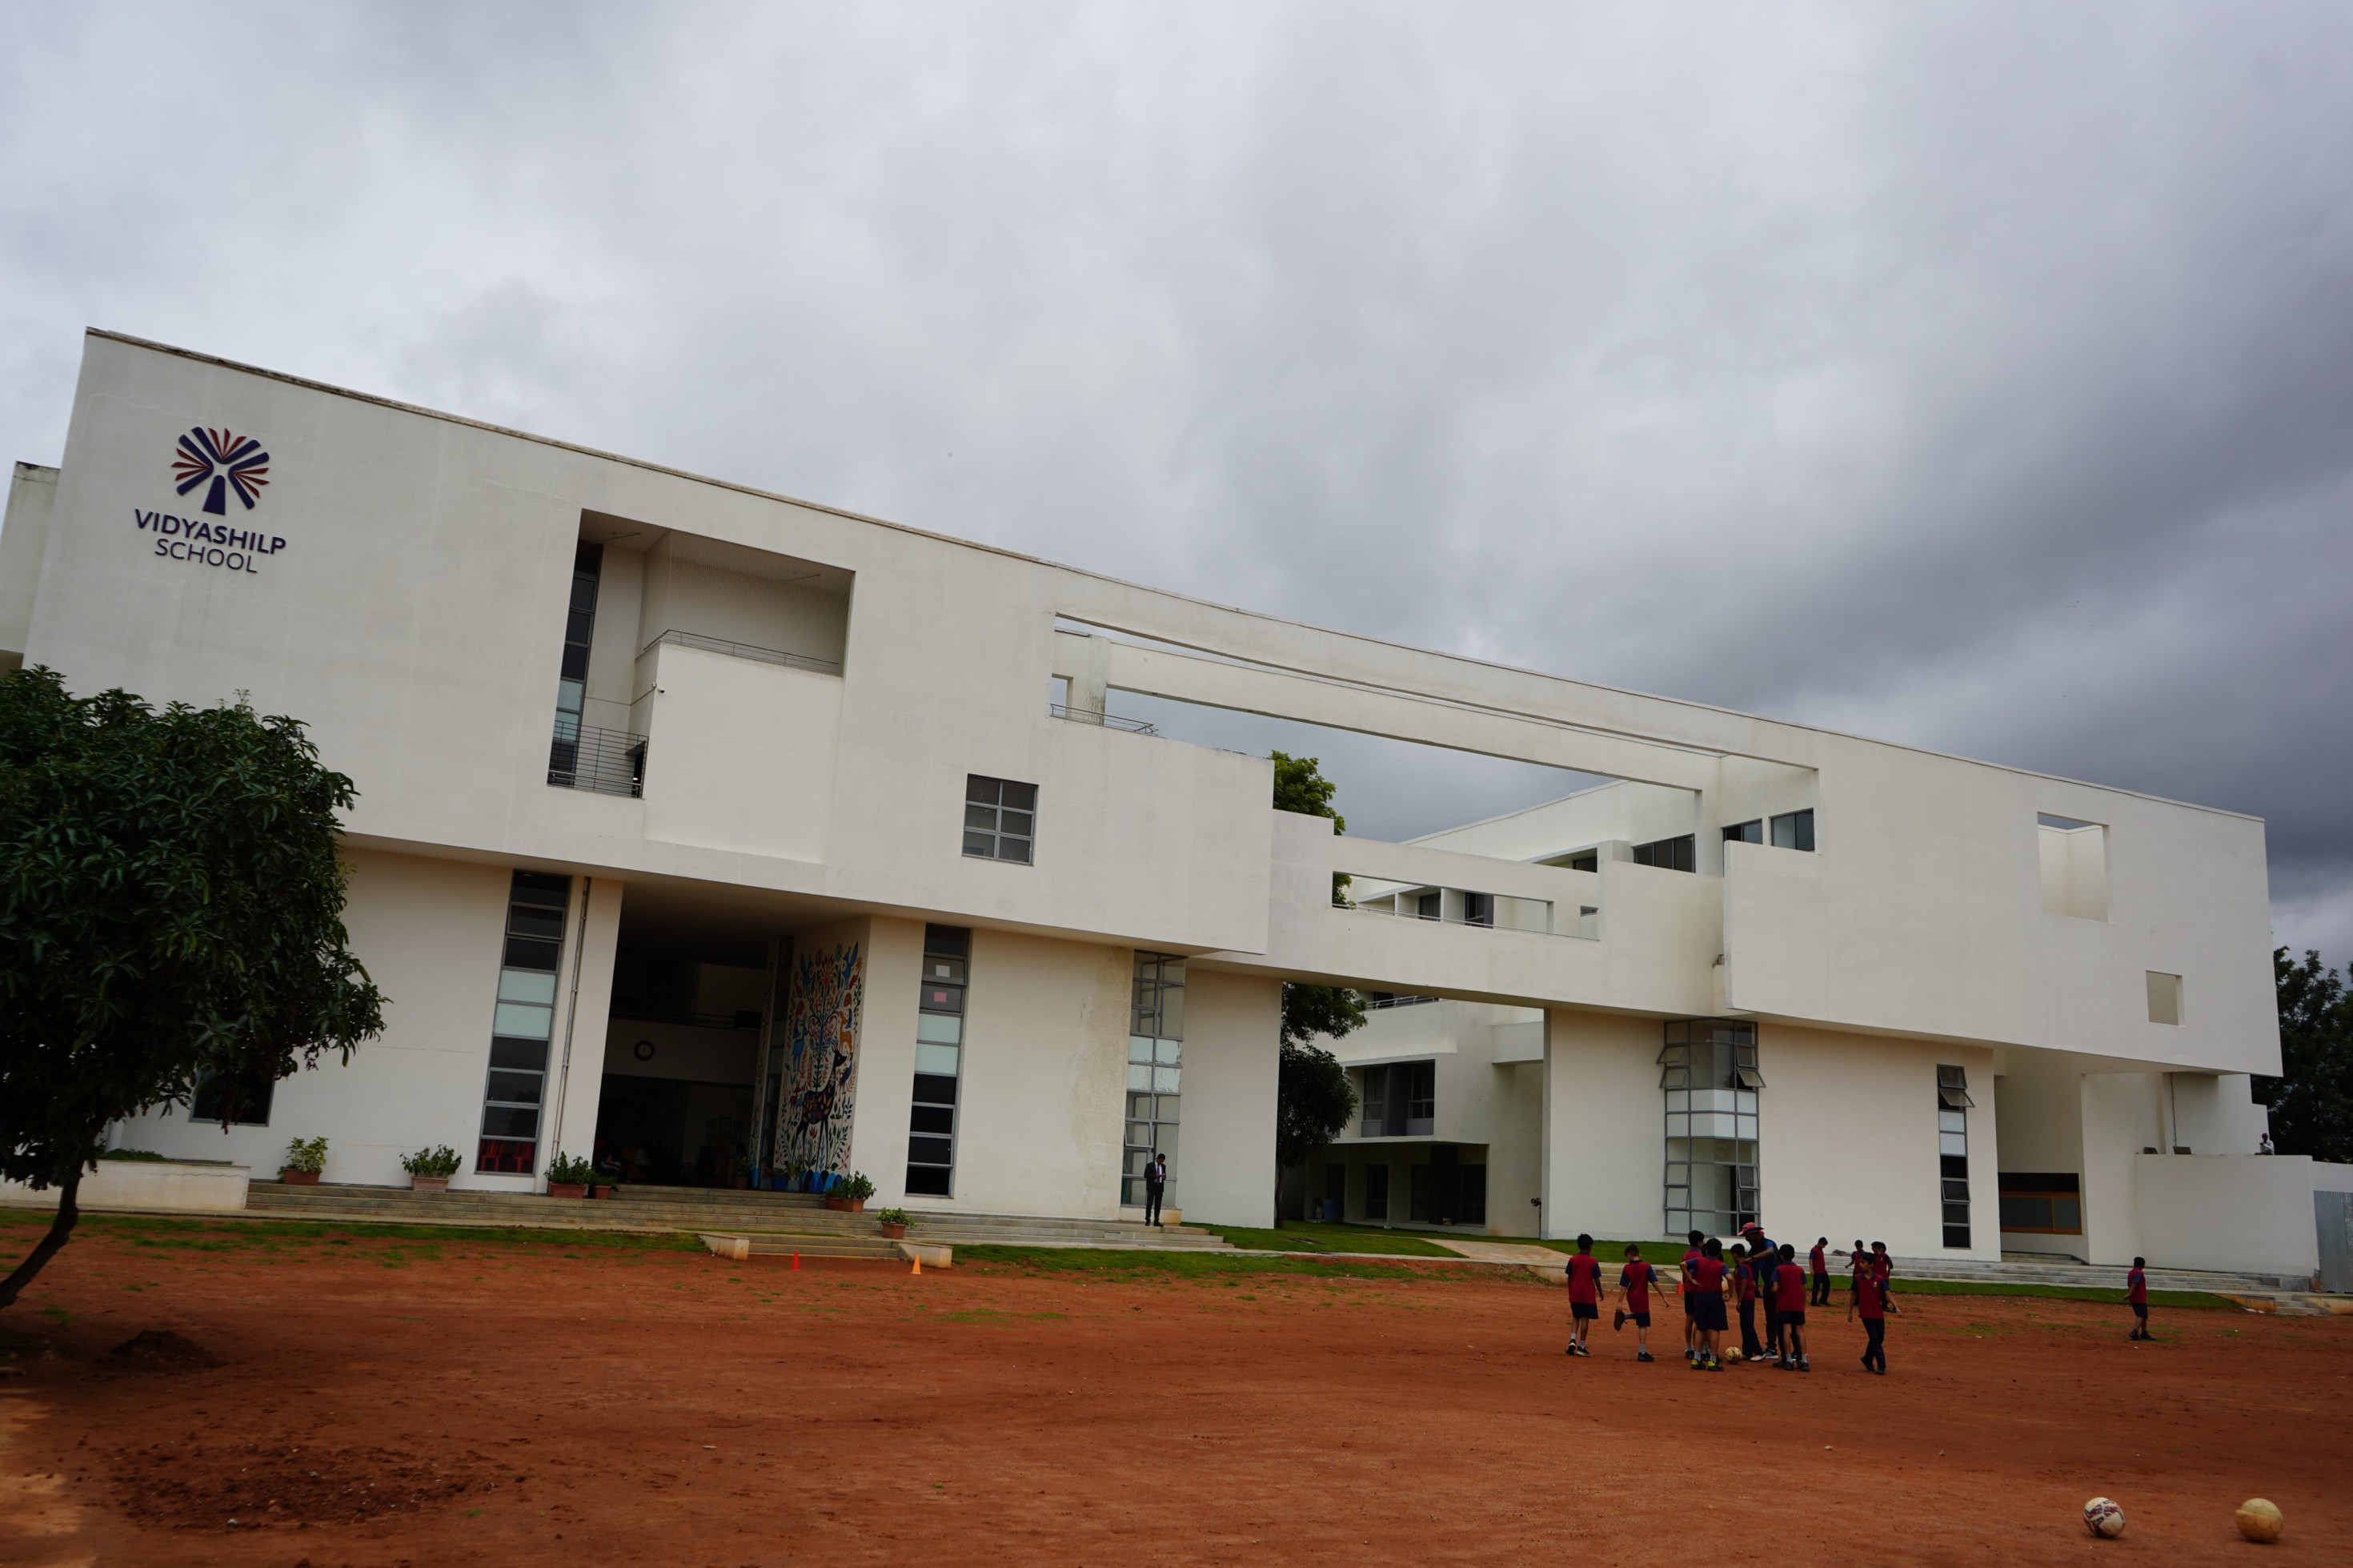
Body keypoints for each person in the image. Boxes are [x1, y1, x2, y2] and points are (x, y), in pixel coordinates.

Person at [1686, 1237, 1730, 1371]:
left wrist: (1691, 1281)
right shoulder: (1720, 1264)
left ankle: (1696, 1358)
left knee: (1700, 1327)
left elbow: (1683, 1264)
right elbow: (1729, 1278)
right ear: (1719, 1252)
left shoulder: (1699, 1261)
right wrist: (1731, 1292)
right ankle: (1712, 1361)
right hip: (1715, 1297)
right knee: (1715, 1329)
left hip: (1701, 1297)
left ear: (1706, 1250)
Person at [1613, 1244, 1663, 1362]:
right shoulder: (1646, 1266)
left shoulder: (1627, 1268)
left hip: (1632, 1297)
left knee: (1641, 1317)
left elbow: (1624, 1286)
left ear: (1629, 1256)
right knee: (1643, 1324)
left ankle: (1624, 1316)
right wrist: (1663, 1296)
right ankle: (1642, 1352)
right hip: (1642, 1298)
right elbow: (1654, 1282)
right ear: (1639, 1254)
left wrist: (1620, 1301)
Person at [1743, 1221, 1782, 1364]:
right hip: (1767, 1286)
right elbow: (1750, 1265)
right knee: (1770, 1318)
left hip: (1779, 1286)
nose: (1746, 1239)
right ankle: (1771, 1348)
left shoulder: (1768, 1244)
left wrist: (1752, 1258)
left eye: (1747, 1236)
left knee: (1783, 1318)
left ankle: (1790, 1350)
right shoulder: (1754, 1249)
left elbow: (1770, 1252)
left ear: (1754, 1234)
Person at [1563, 1233, 1605, 1357]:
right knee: (1585, 1318)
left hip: (1575, 1293)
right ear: (1589, 1246)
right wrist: (1601, 1292)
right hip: (1587, 1295)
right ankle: (1581, 1346)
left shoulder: (1573, 1260)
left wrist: (1571, 1290)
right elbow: (1596, 1279)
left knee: (1576, 1316)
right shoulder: (1593, 1261)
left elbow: (1569, 1277)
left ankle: (1572, 1339)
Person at [1774, 1242, 1810, 1370]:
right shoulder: (1800, 1270)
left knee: (1786, 1331)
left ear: (1782, 1257)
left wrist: (1780, 1288)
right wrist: (1803, 1304)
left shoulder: (1779, 1270)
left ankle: (1788, 1360)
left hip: (1784, 1305)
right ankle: (1804, 1361)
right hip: (1798, 1305)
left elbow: (1774, 1288)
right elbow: (1803, 1290)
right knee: (1800, 1332)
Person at [1849, 1249, 1887, 1374]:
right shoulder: (1858, 1278)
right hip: (1865, 1313)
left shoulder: (1879, 1279)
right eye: (1860, 1262)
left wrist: (1896, 1306)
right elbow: (1853, 1295)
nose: (1860, 1265)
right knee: (1875, 1339)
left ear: (1871, 1265)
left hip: (1877, 1313)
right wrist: (1850, 1312)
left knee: (1879, 1338)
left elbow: (1887, 1293)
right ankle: (1881, 1365)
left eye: (1863, 1263)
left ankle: (1867, 1358)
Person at [1732, 1243, 1765, 1361]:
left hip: (1746, 1299)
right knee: (1745, 1325)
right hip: (1750, 1298)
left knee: (1747, 1326)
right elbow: (1754, 1284)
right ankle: (1747, 1351)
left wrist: (1739, 1300)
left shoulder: (1742, 1267)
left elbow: (1744, 1283)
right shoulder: (1747, 1266)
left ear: (1735, 1255)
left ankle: (1758, 1351)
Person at [1680, 1229, 1706, 1364]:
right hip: (1698, 1289)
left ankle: (1688, 1347)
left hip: (1688, 1289)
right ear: (1698, 1242)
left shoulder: (1685, 1255)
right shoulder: (1700, 1256)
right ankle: (1699, 1347)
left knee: (1689, 1318)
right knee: (1699, 1319)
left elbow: (1684, 1274)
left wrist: (1687, 1283)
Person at [2126, 1256, 2151, 1340]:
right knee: (2141, 1315)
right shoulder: (2138, 1273)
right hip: (2139, 1297)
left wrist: (2130, 1295)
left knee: (2143, 1315)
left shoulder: (2131, 1272)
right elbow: (2135, 1283)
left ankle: (2144, 1332)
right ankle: (2135, 1331)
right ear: (2143, 1265)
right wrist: (2129, 1294)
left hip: (2134, 1298)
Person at [1143, 1152, 1168, 1227]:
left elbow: (1164, 1176)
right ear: (1157, 1159)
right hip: (1152, 1186)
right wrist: (1155, 1175)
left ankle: (1156, 1220)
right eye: (1160, 1161)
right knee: (1149, 1204)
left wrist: (1164, 1176)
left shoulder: (1163, 1166)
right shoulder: (1150, 1165)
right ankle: (1148, 1219)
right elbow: (1146, 1175)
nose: (1161, 1162)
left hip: (1159, 1186)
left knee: (1158, 1205)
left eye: (1162, 1161)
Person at [1809, 1237, 1831, 1306]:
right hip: (1817, 1271)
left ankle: (1823, 1300)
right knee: (1816, 1287)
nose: (1824, 1247)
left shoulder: (1820, 1250)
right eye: (1824, 1245)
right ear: (1820, 1243)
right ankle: (1814, 1301)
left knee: (1827, 1284)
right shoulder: (1814, 1250)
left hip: (1823, 1271)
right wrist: (1812, 1269)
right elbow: (1811, 1259)